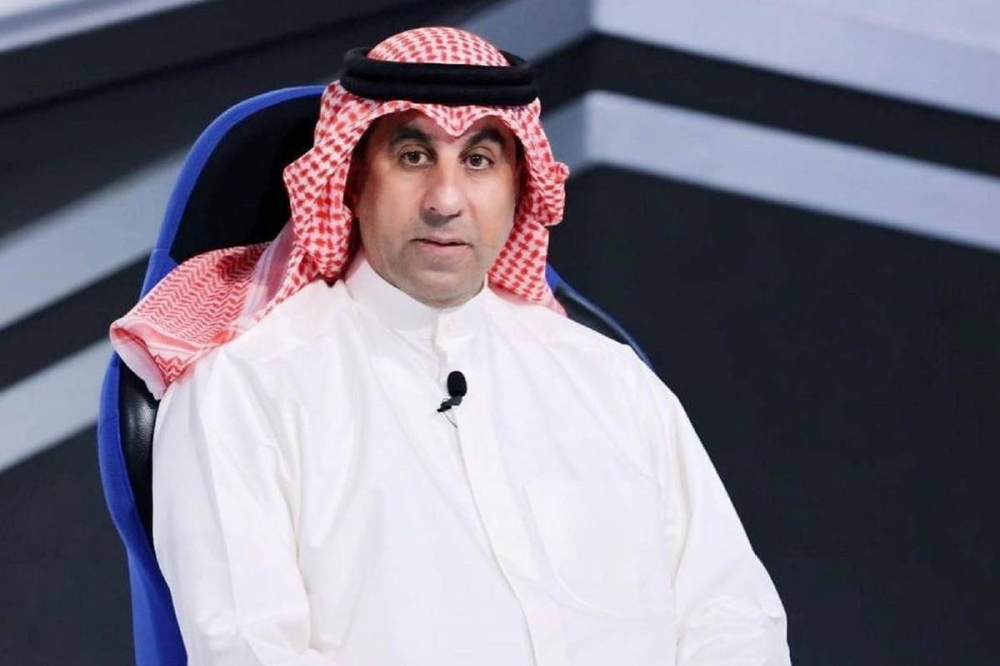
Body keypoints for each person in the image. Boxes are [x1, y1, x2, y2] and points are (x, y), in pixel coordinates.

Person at [110, 27, 790, 666]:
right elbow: (250, 651)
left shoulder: (612, 380)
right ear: (352, 180)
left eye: (479, 161)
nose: (445, 200)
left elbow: (733, 617)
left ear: (519, 185)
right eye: (413, 157)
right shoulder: (247, 386)